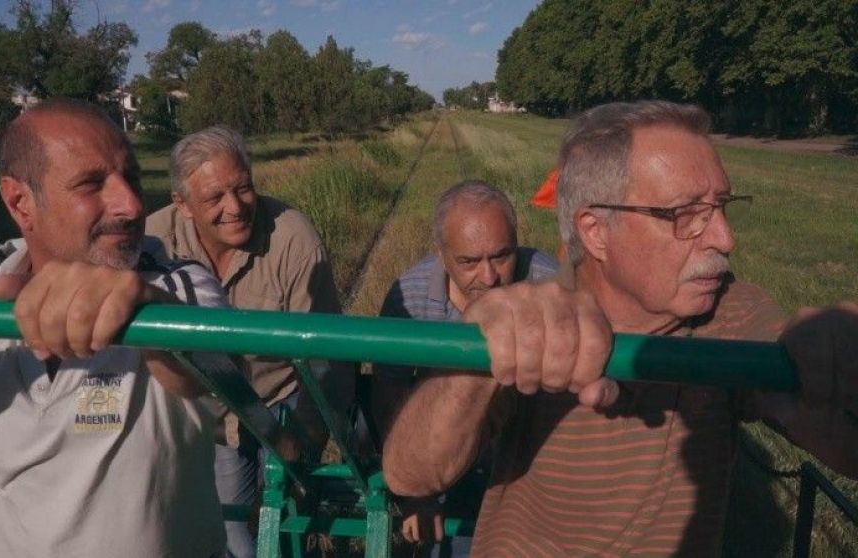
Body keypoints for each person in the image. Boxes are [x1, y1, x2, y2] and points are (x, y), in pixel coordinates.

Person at [382, 100, 858, 556]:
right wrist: (475, 362)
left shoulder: (725, 313)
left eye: (722, 206)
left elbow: (821, 417)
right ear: (594, 232)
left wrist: (825, 359)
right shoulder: (540, 316)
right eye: (685, 214)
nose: (725, 238)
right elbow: (410, 475)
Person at [0, 99, 229, 557]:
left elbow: (213, 372)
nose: (133, 204)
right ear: (21, 203)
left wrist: (145, 308)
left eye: (131, 177)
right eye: (91, 183)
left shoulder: (177, 282)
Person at [146, 125, 352, 558]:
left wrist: (303, 443)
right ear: (181, 205)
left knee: (285, 519)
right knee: (235, 532)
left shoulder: (293, 237)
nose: (236, 207)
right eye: (214, 198)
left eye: (243, 188)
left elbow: (328, 357)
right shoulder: (152, 242)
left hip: (281, 397)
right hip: (209, 411)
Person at [370, 180, 557, 554]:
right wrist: (416, 495)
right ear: (442, 254)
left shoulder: (550, 285)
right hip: (448, 455)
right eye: (469, 262)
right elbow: (389, 393)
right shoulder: (410, 296)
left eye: (502, 257)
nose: (489, 278)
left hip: (528, 457)